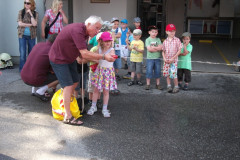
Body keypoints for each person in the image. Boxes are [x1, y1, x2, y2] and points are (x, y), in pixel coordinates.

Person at [49, 16, 116, 125]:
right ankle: (67, 116)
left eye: (99, 29)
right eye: (97, 28)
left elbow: (82, 54)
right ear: (89, 24)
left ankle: (67, 102)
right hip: (59, 59)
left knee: (75, 82)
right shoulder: (78, 30)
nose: (98, 31)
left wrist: (82, 58)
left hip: (69, 58)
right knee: (68, 85)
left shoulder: (85, 32)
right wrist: (103, 57)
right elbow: (85, 53)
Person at [87, 32, 117, 118]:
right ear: (101, 41)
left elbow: (112, 59)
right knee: (96, 90)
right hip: (99, 71)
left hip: (108, 72)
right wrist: (96, 59)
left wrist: (111, 58)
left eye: (109, 41)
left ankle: (105, 108)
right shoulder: (99, 48)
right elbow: (94, 57)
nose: (108, 42)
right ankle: (93, 107)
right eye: (106, 40)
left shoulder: (112, 49)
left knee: (106, 91)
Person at [21, 34, 59, 101]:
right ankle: (41, 91)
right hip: (35, 79)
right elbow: (54, 70)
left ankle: (34, 89)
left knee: (37, 69)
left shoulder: (38, 45)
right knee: (61, 76)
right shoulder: (52, 51)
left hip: (24, 76)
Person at [17, 0, 38, 72]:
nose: (26, 4)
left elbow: (35, 24)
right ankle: (22, 70)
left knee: (31, 54)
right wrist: (30, 25)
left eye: (28, 3)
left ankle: (30, 70)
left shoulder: (35, 13)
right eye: (25, 3)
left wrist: (30, 14)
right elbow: (20, 24)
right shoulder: (21, 12)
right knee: (23, 54)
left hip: (31, 36)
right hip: (22, 35)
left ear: (32, 4)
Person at [162, 24, 183, 93]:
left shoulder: (177, 40)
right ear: (166, 32)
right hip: (167, 61)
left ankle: (176, 87)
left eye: (173, 31)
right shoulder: (165, 41)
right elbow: (163, 51)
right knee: (167, 74)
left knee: (174, 74)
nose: (172, 32)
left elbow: (179, 50)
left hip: (173, 61)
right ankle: (169, 86)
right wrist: (164, 58)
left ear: (175, 31)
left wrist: (173, 58)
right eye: (170, 31)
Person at [145, 25, 163, 90]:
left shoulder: (158, 39)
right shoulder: (147, 40)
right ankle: (148, 84)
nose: (154, 33)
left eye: (155, 32)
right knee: (149, 71)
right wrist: (157, 48)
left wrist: (154, 47)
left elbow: (161, 48)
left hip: (157, 58)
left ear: (157, 33)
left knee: (157, 71)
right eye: (152, 32)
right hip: (150, 58)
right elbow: (149, 49)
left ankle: (158, 84)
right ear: (149, 32)